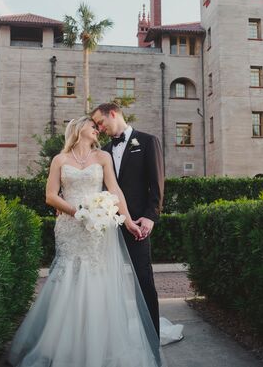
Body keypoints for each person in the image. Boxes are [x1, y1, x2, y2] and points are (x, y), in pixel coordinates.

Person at [8, 116, 161, 367]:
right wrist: (77, 212)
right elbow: (50, 196)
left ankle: (99, 343)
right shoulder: (60, 160)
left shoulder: (103, 157)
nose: (97, 129)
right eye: (93, 126)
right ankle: (65, 344)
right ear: (80, 129)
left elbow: (115, 191)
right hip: (70, 227)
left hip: (97, 228)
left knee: (96, 277)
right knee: (69, 276)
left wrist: (128, 221)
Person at [90, 102, 164, 337]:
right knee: (110, 281)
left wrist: (151, 216)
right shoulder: (104, 151)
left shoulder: (147, 141)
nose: (99, 128)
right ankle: (115, 335)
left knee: (143, 279)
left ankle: (151, 335)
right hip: (109, 224)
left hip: (138, 224)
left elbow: (157, 183)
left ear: (113, 114)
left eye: (100, 122)